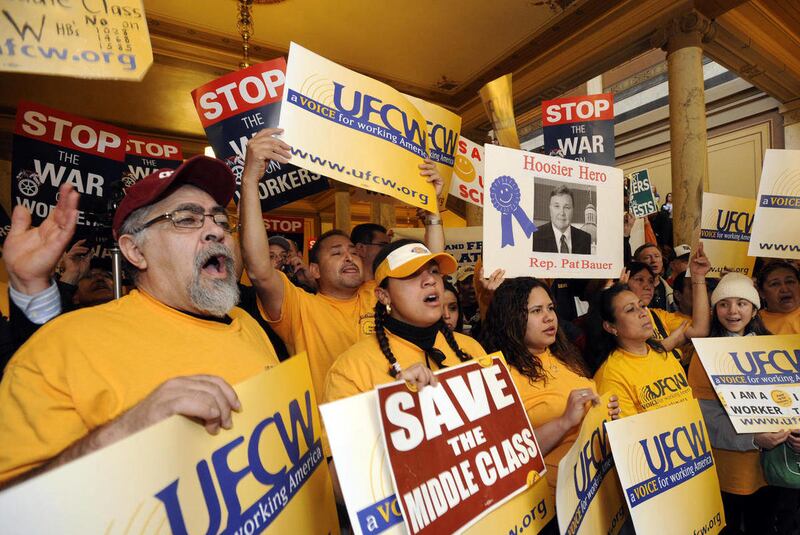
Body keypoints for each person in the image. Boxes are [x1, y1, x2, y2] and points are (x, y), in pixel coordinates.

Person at [0, 156, 279, 485]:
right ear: (135, 251)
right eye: (186, 219)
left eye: (220, 218)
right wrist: (125, 432)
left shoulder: (247, 323)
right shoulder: (63, 345)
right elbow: (13, 504)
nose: (216, 230)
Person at [239, 128, 445, 402]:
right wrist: (250, 181)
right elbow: (259, 270)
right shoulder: (300, 308)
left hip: (396, 418)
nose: (349, 257)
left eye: (352, 251)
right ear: (314, 270)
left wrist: (432, 210)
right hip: (332, 425)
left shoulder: (377, 295)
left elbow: (428, 268)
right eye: (336, 253)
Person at [480, 277, 620, 506]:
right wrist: (564, 422)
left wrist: (606, 413)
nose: (549, 317)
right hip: (552, 504)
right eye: (536, 311)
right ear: (510, 317)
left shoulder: (564, 355)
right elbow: (506, 456)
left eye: (550, 308)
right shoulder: (499, 376)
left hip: (597, 491)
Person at [688, 273, 790, 534]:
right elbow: (705, 418)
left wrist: (795, 435)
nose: (733, 311)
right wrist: (753, 439)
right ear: (714, 310)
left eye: (742, 303)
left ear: (754, 309)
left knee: (764, 526)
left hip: (772, 470)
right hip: (727, 471)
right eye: (724, 304)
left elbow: (790, 402)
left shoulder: (773, 349)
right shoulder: (704, 355)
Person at [593, 283, 694, 417]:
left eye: (642, 306)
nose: (643, 313)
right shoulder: (611, 376)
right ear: (611, 327)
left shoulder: (665, 355)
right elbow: (629, 428)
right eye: (630, 310)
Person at [617, 254, 711, 367]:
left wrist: (699, 277)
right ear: (624, 281)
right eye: (639, 280)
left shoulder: (659, 315)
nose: (647, 286)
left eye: (651, 281)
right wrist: (671, 341)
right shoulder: (617, 320)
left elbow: (699, 331)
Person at [532, 185, 592, 255]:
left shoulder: (585, 239)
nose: (562, 213)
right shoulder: (535, 237)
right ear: (550, 209)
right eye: (557, 206)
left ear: (573, 210)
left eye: (567, 207)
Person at [757, 260, 800, 334]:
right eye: (775, 284)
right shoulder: (751, 322)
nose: (784, 289)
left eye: (790, 281)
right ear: (761, 293)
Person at [634, 242, 673, 310]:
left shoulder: (671, 290)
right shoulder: (630, 289)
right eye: (647, 258)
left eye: (657, 256)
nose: (653, 260)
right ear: (638, 263)